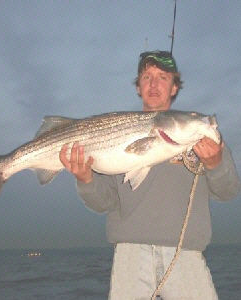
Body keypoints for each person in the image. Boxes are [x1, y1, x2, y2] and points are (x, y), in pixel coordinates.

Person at [59, 50, 241, 299]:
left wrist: (216, 163)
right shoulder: (119, 130)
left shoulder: (206, 139)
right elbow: (104, 203)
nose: (154, 84)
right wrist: (85, 178)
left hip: (185, 254)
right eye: (147, 77)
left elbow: (228, 191)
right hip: (130, 256)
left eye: (163, 77)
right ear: (138, 87)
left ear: (174, 88)